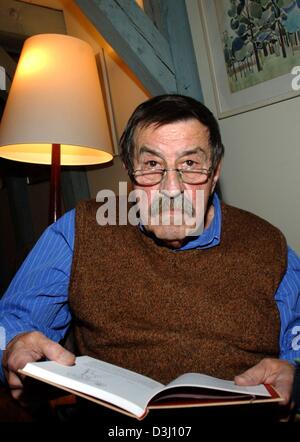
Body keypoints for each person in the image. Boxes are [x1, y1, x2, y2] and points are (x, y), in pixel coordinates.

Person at [0, 94, 299, 419]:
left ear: (214, 173)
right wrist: (13, 347)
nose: (172, 188)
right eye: (153, 165)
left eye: (190, 164)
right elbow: (12, 323)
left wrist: (296, 373)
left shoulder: (267, 244)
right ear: (130, 172)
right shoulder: (80, 230)